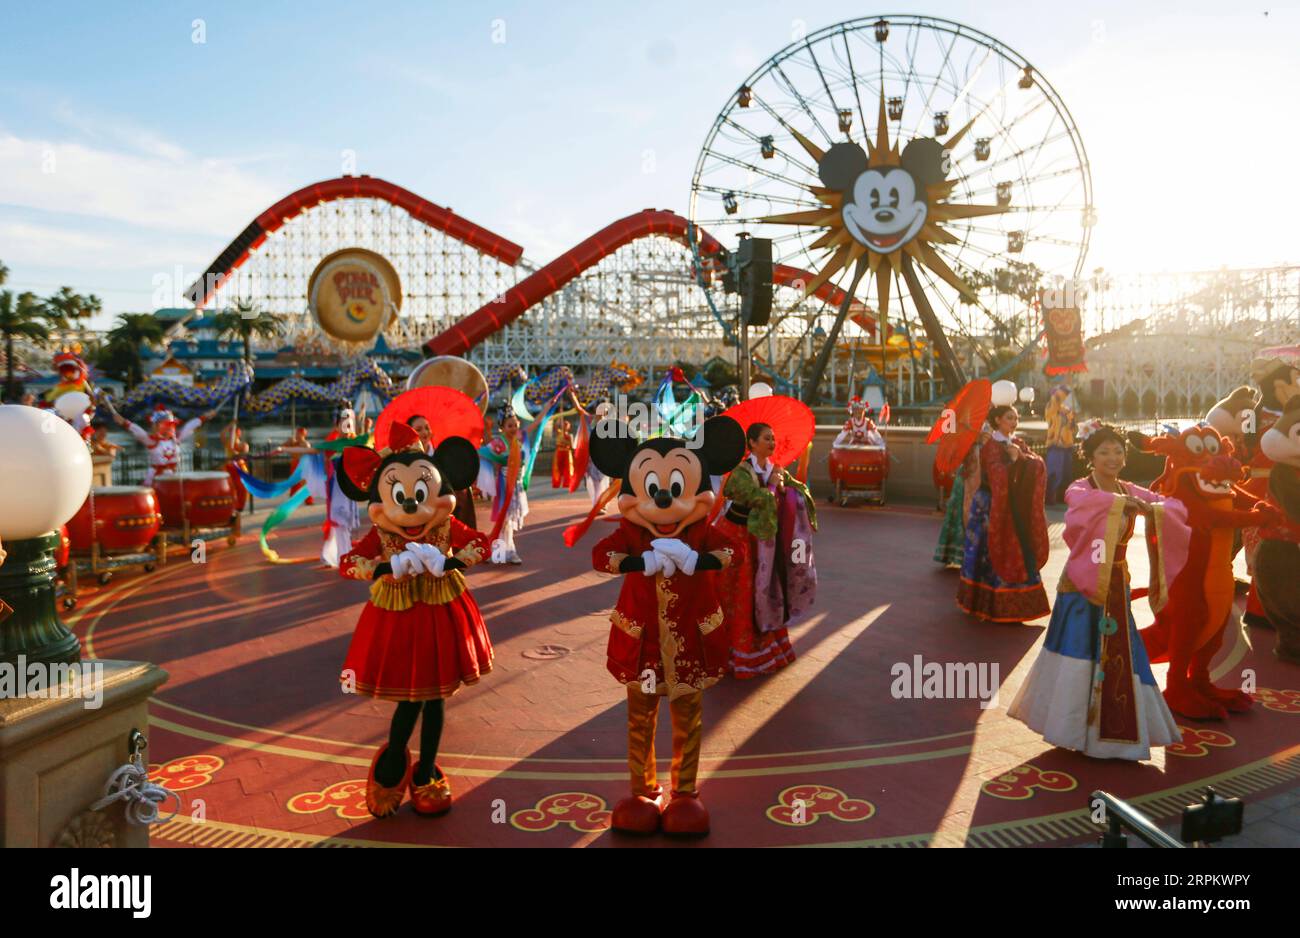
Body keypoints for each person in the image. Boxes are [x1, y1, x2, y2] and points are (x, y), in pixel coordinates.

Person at [586, 415, 746, 836]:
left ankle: (685, 792)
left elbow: (733, 553)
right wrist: (642, 561)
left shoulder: (701, 531)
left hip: (690, 643)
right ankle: (643, 789)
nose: (662, 502)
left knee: (688, 718)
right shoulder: (631, 532)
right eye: (650, 491)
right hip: (642, 643)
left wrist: (698, 560)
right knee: (640, 716)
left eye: (676, 489)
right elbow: (601, 557)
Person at [334, 422, 491, 818]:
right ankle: (394, 764)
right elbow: (348, 562)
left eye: (420, 494)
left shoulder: (444, 524)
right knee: (409, 698)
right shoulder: (380, 533)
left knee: (436, 697)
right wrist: (385, 567)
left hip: (441, 613)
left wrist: (451, 560)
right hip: (400, 620)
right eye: (398, 496)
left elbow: (481, 542)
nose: (410, 507)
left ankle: (425, 772)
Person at [1008, 425, 1189, 760]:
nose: (1113, 458)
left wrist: (1153, 509)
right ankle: (1071, 727)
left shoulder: (1126, 488)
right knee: (1078, 649)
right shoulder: (1082, 487)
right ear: (1089, 457)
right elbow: (1079, 502)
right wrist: (1124, 504)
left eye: (1118, 451)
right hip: (1082, 584)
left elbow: (1172, 506)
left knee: (1124, 653)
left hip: (1116, 583)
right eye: (1104, 452)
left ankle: (1116, 734)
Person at [713, 422, 818, 678]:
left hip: (762, 543)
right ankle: (735, 651)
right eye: (766, 438)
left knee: (766, 589)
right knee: (741, 594)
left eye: (773, 438)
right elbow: (750, 497)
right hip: (737, 541)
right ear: (751, 443)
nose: (772, 443)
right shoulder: (739, 472)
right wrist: (770, 487)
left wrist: (784, 486)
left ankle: (766, 644)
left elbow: (800, 489)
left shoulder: (775, 468)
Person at [956, 403, 1051, 623]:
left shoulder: (1017, 443)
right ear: (997, 420)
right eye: (1010, 418)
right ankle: (984, 604)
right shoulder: (991, 445)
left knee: (1016, 550)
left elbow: (1038, 465)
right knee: (986, 552)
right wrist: (1015, 461)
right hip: (990, 506)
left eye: (1016, 418)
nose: (1014, 422)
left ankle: (1016, 605)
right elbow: (996, 476)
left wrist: (1022, 459)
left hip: (1014, 506)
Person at [112, 403, 216, 486]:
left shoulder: (176, 439)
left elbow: (189, 426)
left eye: (170, 425)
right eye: (165, 425)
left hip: (173, 477)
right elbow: (137, 430)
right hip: (156, 479)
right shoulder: (152, 441)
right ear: (157, 426)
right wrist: (123, 422)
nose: (169, 428)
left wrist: (205, 417)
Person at [477, 408, 529, 564]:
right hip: (504, 485)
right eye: (509, 426)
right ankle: (506, 552)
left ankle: (500, 550)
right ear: (502, 427)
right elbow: (484, 451)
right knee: (504, 519)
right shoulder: (499, 443)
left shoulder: (518, 442)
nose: (513, 428)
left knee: (509, 520)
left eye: (515, 425)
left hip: (516, 485)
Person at [408, 413, 477, 530]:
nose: (425, 432)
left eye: (427, 428)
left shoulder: (441, 455)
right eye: (419, 429)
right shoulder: (406, 459)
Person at [933, 429, 987, 568]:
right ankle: (958, 554)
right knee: (962, 511)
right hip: (968, 475)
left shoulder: (989, 427)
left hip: (981, 475)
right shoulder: (967, 426)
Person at [1043, 385, 1076, 505]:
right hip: (1055, 444)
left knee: (1066, 474)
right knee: (1054, 473)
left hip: (1067, 445)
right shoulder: (1052, 408)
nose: (1065, 396)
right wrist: (1060, 390)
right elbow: (1055, 400)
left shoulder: (1066, 410)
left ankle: (1062, 497)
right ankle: (1049, 498)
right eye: (1064, 394)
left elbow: (1072, 426)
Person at [551, 419, 575, 489]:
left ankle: (567, 483)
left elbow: (572, 446)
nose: (565, 426)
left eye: (567, 425)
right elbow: (555, 426)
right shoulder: (559, 433)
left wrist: (566, 443)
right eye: (564, 424)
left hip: (567, 453)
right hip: (559, 452)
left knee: (568, 469)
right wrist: (559, 419)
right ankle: (556, 483)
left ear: (569, 427)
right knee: (557, 469)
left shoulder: (570, 436)